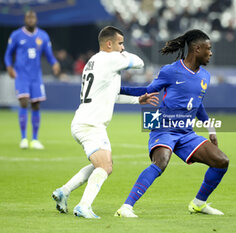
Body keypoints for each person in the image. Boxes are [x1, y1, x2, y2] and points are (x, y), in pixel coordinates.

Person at [115, 29, 229, 218]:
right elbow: (147, 90)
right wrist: (116, 89)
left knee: (221, 161)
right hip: (164, 127)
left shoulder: (205, 76)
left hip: (186, 133)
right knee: (161, 162)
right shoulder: (171, 71)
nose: (211, 53)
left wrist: (211, 128)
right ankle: (126, 207)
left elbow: (198, 105)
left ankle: (198, 204)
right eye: (208, 49)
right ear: (197, 49)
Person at [51, 26, 159, 219]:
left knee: (101, 165)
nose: (123, 47)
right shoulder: (110, 58)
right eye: (120, 43)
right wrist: (125, 54)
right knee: (105, 167)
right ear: (109, 44)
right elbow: (140, 62)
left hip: (83, 121)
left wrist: (137, 100)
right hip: (91, 125)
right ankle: (84, 206)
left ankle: (64, 191)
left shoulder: (93, 61)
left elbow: (112, 95)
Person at [4, 11, 60, 149]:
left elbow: (49, 55)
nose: (30, 19)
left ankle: (34, 139)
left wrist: (55, 63)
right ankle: (23, 138)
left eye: (33, 17)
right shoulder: (16, 35)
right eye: (28, 17)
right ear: (24, 20)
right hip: (21, 75)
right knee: (23, 102)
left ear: (36, 19)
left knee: (36, 105)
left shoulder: (43, 36)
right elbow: (7, 54)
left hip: (36, 77)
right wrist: (9, 67)